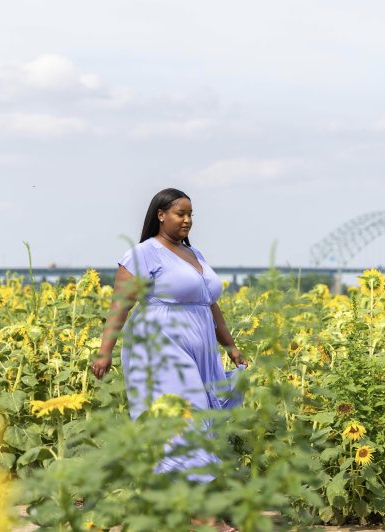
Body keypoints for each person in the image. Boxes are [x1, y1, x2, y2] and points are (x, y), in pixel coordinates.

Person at [91, 188, 247, 531]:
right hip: (160, 345)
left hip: (200, 346)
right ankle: (204, 517)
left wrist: (230, 345)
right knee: (184, 420)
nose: (188, 220)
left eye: (191, 214)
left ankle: (156, 502)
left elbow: (209, 302)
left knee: (197, 421)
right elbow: (121, 305)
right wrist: (105, 351)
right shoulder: (142, 255)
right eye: (181, 213)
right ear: (161, 215)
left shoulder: (194, 254)